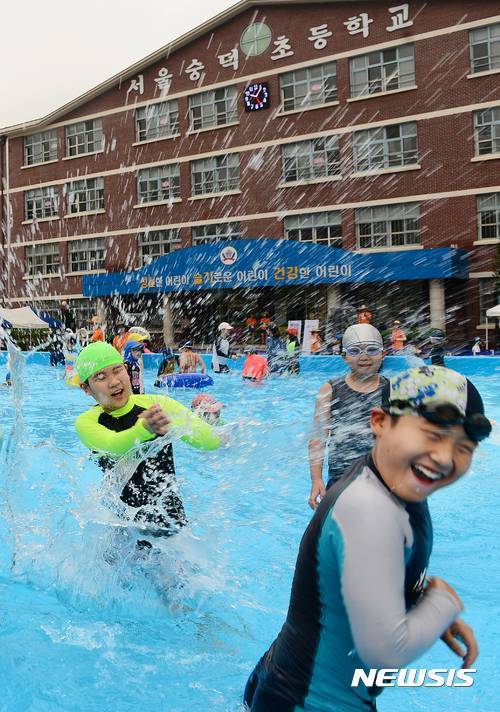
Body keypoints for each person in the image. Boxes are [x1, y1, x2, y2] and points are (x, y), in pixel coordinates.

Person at [244, 365, 490, 712]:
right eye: (431, 435)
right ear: (379, 423)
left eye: (464, 447)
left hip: (288, 680)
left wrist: (420, 602)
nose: (445, 458)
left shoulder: (395, 482)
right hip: (313, 701)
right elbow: (386, 652)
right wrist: (442, 602)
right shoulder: (370, 509)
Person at [75, 342, 221, 540]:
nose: (113, 382)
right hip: (124, 524)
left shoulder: (158, 404)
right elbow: (113, 445)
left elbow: (210, 443)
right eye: (100, 377)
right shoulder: (87, 422)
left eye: (117, 371)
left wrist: (212, 424)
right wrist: (144, 429)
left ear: (126, 371)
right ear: (86, 388)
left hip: (170, 519)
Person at [308, 324, 387, 509]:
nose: (364, 357)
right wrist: (316, 479)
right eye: (355, 351)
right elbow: (318, 438)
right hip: (341, 479)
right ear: (344, 356)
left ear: (383, 354)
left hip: (383, 479)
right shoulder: (330, 390)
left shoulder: (393, 389)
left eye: (372, 349)